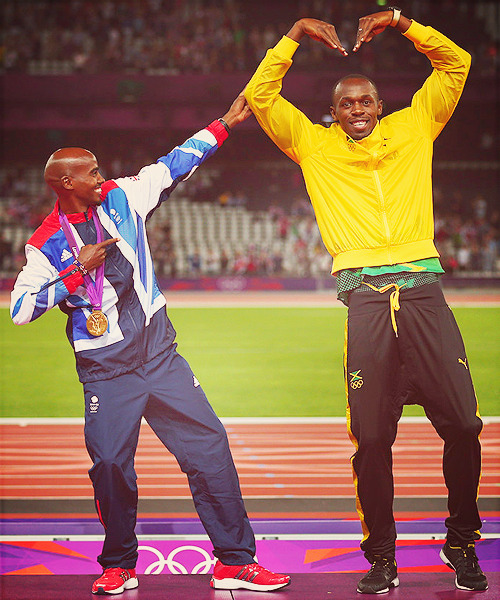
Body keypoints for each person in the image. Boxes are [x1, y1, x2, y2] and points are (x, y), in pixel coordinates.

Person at [244, 7, 488, 595]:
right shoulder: (313, 145)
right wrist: (295, 36)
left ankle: (460, 543)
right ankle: (382, 556)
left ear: (379, 105)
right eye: (346, 103)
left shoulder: (415, 126)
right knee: (372, 440)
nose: (357, 110)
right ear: (333, 112)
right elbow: (259, 94)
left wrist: (404, 24)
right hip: (367, 303)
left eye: (366, 101)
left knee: (462, 424)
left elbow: (457, 63)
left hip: (424, 293)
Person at [10, 93, 290, 596]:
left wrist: (224, 123)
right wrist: (76, 272)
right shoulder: (46, 243)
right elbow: (21, 309)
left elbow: (174, 163)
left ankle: (234, 561)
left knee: (210, 448)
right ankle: (119, 563)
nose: (103, 178)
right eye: (92, 173)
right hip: (106, 372)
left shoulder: (123, 196)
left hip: (160, 358)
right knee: (112, 466)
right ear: (66, 184)